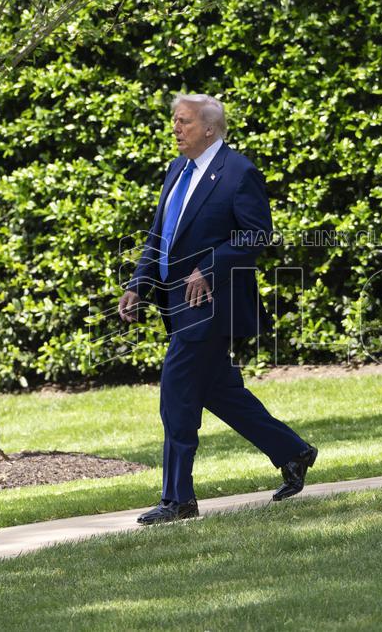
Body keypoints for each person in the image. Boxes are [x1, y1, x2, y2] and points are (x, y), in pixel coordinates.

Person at [118, 93, 317, 525]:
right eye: (175, 120)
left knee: (176, 393)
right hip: (177, 304)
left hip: (213, 305)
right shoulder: (176, 170)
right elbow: (160, 237)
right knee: (216, 391)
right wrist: (138, 285)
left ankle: (178, 499)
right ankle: (293, 452)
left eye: (183, 121)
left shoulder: (239, 172)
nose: (176, 128)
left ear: (209, 128)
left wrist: (207, 269)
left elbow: (255, 234)